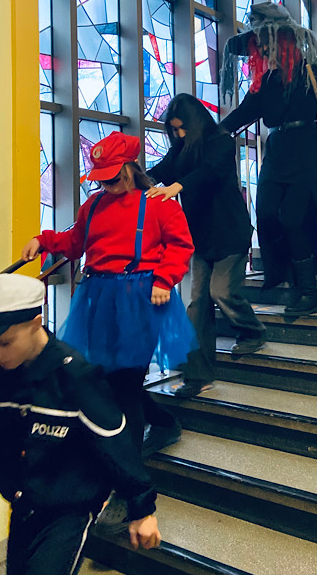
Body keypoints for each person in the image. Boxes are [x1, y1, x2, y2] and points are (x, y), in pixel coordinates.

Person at [0, 273, 160, 575]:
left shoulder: (75, 377)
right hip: (23, 506)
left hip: (68, 512)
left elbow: (114, 442)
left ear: (35, 323)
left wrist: (142, 508)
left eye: (4, 342)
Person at [21, 132, 196, 457]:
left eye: (113, 178)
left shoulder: (158, 204)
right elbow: (75, 242)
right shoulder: (93, 205)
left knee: (127, 379)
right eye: (102, 179)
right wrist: (43, 241)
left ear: (130, 169)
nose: (107, 185)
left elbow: (180, 245)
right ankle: (162, 422)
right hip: (98, 299)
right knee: (107, 376)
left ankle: (128, 463)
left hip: (141, 298)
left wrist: (164, 279)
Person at [219, 2, 317, 317]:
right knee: (266, 212)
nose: (262, 48)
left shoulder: (305, 69)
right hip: (277, 151)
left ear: (282, 40)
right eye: (259, 43)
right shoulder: (264, 81)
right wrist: (212, 132)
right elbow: (243, 113)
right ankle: (286, 272)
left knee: (291, 218)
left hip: (306, 151)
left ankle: (309, 292)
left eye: (266, 41)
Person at [146, 93, 266, 399]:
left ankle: (252, 330)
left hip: (230, 232)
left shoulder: (221, 141)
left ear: (196, 121)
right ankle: (198, 376)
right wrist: (137, 180)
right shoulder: (180, 148)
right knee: (197, 304)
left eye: (182, 127)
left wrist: (177, 186)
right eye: (174, 130)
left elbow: (209, 171)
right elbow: (161, 170)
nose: (179, 134)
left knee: (221, 292)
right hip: (200, 236)